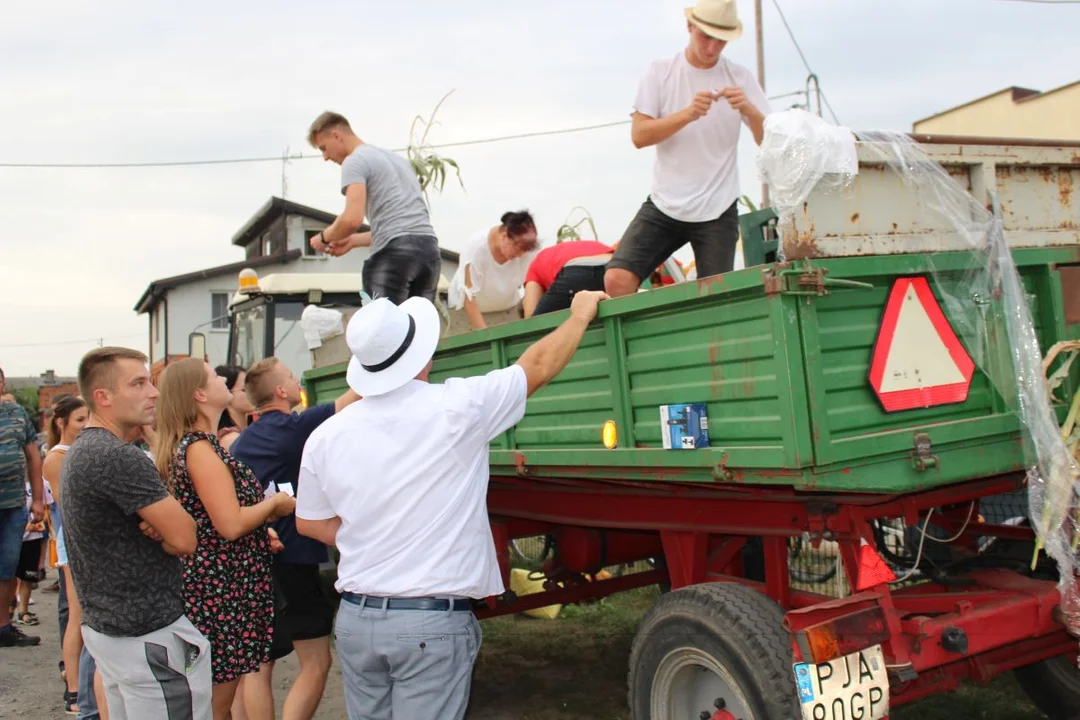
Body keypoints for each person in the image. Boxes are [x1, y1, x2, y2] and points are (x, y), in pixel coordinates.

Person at [296, 289, 608, 720]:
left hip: (356, 620)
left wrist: (371, 535)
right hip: (428, 623)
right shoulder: (456, 407)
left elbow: (309, 522)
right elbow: (534, 367)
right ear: (422, 356)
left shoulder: (325, 436)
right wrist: (578, 317)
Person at [61, 347, 211, 720]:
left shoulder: (86, 450)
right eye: (138, 383)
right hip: (149, 636)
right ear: (103, 397)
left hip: (117, 632)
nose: (154, 392)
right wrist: (165, 529)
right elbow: (186, 537)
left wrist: (160, 525)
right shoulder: (116, 456)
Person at [154, 358, 294, 720]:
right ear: (200, 393)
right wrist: (273, 505)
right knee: (216, 703)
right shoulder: (200, 448)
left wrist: (260, 531)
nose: (225, 380)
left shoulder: (197, 444)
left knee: (218, 697)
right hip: (220, 593)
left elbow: (212, 520)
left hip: (219, 587)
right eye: (216, 376)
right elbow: (229, 524)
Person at [604, 0, 769, 298]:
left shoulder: (740, 77)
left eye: (722, 40)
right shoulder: (660, 71)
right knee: (617, 279)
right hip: (666, 203)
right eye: (706, 36)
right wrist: (688, 114)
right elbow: (639, 136)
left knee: (715, 299)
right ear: (689, 26)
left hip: (718, 208)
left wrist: (749, 108)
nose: (712, 48)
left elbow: (766, 139)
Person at [229, 357, 360, 720]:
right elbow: (354, 397)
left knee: (255, 668)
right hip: (294, 560)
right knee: (316, 661)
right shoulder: (296, 427)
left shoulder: (242, 443)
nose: (298, 379)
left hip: (254, 562)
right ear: (282, 391)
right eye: (291, 376)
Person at [305, 111, 442, 304]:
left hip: (395, 257)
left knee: (382, 329)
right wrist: (352, 241)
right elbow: (402, 228)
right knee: (418, 330)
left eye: (323, 148)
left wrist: (323, 237)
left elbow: (352, 219)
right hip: (429, 252)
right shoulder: (399, 162)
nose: (325, 157)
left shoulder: (355, 161)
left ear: (336, 135)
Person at [41, 393, 90, 712]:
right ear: (62, 423)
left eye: (88, 419)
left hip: (85, 537)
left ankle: (81, 688)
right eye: (80, 420)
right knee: (77, 614)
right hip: (74, 537)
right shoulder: (57, 457)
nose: (86, 425)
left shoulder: (79, 451)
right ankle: (74, 691)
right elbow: (69, 504)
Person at [0, 366, 44, 648]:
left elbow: (34, 457)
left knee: (7, 567)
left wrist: (38, 500)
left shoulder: (16, 414)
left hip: (13, 504)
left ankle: (3, 626)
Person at [448, 211, 540, 330]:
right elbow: (468, 296)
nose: (519, 255)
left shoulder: (527, 252)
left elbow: (531, 286)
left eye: (524, 251)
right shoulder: (476, 248)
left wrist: (530, 325)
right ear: (505, 236)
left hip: (506, 311)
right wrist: (485, 335)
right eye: (516, 249)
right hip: (467, 315)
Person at [523, 239, 615, 317]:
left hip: (577, 271)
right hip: (613, 265)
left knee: (534, 329)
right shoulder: (572, 247)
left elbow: (529, 315)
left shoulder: (534, 267)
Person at [213, 364, 255, 452]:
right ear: (226, 392)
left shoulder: (251, 430)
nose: (254, 393)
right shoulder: (231, 439)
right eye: (244, 389)